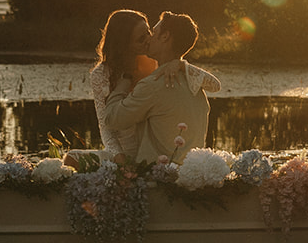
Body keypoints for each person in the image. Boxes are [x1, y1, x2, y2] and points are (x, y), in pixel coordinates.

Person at [104, 11, 217, 164]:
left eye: (154, 32)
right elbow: (216, 85)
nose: (149, 38)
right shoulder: (196, 83)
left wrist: (125, 80)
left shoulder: (152, 85)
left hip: (158, 178)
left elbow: (112, 119)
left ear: (165, 36)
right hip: (191, 173)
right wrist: (181, 64)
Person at [89, 10, 154, 155]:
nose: (148, 40)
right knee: (71, 158)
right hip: (122, 152)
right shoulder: (101, 74)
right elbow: (105, 125)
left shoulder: (156, 63)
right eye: (141, 38)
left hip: (153, 152)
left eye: (149, 32)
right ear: (123, 44)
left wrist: (178, 64)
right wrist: (119, 156)